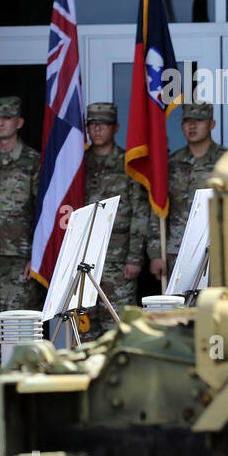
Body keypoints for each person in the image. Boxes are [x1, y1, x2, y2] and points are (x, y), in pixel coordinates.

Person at [0, 95, 41, 375]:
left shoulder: (33, 162)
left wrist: (38, 256)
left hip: (19, 257)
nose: (0, 122)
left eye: (6, 117)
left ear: (19, 122)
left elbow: (45, 213)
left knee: (18, 323)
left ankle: (22, 383)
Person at [82, 102, 149, 337]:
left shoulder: (128, 165)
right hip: (83, 261)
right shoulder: (77, 165)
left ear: (116, 127)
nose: (97, 129)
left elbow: (139, 212)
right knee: (85, 336)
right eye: (92, 124)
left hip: (118, 263)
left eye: (104, 124)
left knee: (118, 331)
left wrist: (134, 257)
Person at [148, 101, 227, 281]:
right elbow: (158, 210)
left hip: (216, 249)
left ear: (212, 124)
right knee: (180, 308)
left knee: (215, 306)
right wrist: (155, 253)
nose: (192, 126)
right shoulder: (171, 163)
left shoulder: (227, 161)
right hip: (178, 252)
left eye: (199, 120)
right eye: (187, 121)